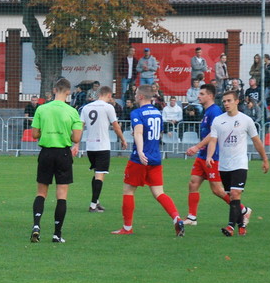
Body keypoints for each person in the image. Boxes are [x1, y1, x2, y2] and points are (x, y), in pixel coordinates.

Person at [111, 84, 185, 236]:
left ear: (140, 96)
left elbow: (139, 132)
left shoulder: (137, 112)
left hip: (139, 159)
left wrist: (139, 150)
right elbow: (153, 133)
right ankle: (176, 218)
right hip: (155, 158)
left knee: (128, 191)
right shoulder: (157, 112)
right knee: (159, 193)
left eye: (136, 93)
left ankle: (127, 228)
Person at [205, 90, 270, 235]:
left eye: (229, 101)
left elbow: (256, 141)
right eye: (224, 101)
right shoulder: (218, 120)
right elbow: (213, 140)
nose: (226, 104)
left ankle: (230, 227)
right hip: (224, 165)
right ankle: (242, 226)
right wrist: (209, 156)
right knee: (232, 196)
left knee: (235, 194)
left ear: (236, 101)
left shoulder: (246, 120)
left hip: (240, 163)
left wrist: (265, 159)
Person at [183, 84, 246, 228]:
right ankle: (192, 217)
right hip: (202, 155)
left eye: (202, 93)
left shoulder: (215, 111)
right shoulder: (206, 112)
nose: (198, 96)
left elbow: (214, 134)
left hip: (214, 156)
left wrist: (197, 146)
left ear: (210, 96)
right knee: (193, 183)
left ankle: (242, 210)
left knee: (217, 190)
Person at [29, 78, 83, 243]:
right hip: (63, 154)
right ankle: (56, 234)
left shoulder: (42, 109)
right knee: (62, 195)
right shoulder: (72, 111)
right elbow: (76, 138)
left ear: (54, 90)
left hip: (46, 153)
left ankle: (36, 225)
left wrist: (47, 132)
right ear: (68, 92)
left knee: (41, 193)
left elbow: (34, 134)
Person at [80, 86, 128, 214]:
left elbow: (80, 126)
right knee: (100, 175)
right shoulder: (108, 107)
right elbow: (116, 126)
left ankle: (96, 201)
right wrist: (123, 139)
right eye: (111, 96)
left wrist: (76, 144)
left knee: (97, 173)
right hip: (102, 146)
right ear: (108, 95)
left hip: (90, 146)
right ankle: (93, 205)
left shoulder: (86, 107)